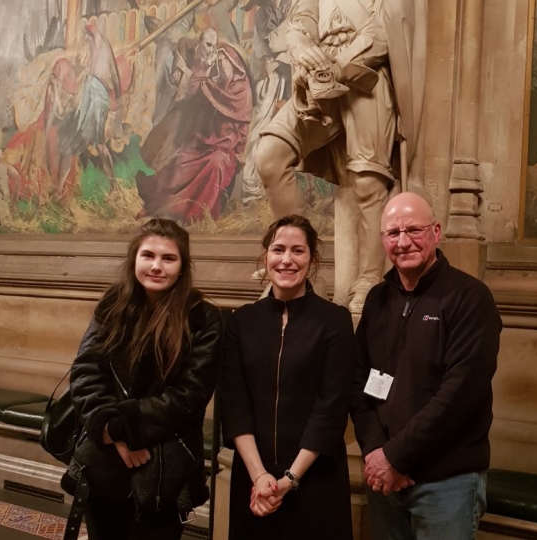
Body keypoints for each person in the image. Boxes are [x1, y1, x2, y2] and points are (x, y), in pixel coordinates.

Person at [254, 0, 427, 313]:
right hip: (316, 82)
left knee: (368, 181)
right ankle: (300, 262)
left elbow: (385, 30)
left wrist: (337, 64)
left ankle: (370, 280)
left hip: (365, 77)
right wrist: (304, 49)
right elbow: (300, 20)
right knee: (269, 156)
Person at [351, 192, 502, 540]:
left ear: (436, 231)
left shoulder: (470, 298)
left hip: (445, 482)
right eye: (393, 233)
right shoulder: (377, 299)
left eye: (413, 229)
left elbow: (460, 394)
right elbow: (358, 380)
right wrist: (376, 451)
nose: (403, 242)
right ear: (383, 240)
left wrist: (396, 457)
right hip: (385, 480)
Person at [68, 218, 223, 539]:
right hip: (106, 463)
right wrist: (115, 434)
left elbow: (190, 394)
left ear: (183, 266)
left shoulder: (203, 317)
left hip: (164, 466)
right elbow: (85, 372)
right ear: (134, 259)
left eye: (168, 258)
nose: (157, 266)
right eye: (148, 255)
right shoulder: (114, 304)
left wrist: (126, 428)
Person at [220, 215, 356, 540]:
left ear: (311, 259)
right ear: (266, 255)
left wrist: (290, 480)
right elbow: (235, 405)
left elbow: (331, 407)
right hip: (256, 483)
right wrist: (260, 477)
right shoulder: (241, 322)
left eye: (298, 251)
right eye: (278, 249)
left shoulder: (334, 321)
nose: (287, 260)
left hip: (315, 479)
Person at [136, 29, 253, 222]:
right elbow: (192, 89)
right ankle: (161, 206)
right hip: (203, 143)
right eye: (219, 59)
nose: (221, 63)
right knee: (180, 162)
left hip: (224, 150)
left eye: (225, 61)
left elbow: (243, 126)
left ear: (235, 65)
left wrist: (240, 152)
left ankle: (195, 215)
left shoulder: (242, 92)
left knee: (214, 165)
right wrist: (204, 69)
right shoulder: (213, 81)